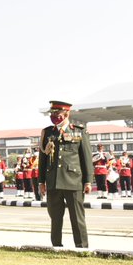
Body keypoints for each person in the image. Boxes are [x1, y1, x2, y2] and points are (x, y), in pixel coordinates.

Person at [38, 101, 93, 248]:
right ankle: (56, 246)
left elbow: (86, 158)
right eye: (52, 114)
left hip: (73, 181)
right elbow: (42, 159)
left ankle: (81, 248)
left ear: (66, 113)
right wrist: (41, 182)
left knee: (77, 218)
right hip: (53, 181)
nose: (54, 116)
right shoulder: (48, 132)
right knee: (55, 218)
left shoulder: (79, 131)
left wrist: (88, 181)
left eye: (57, 114)